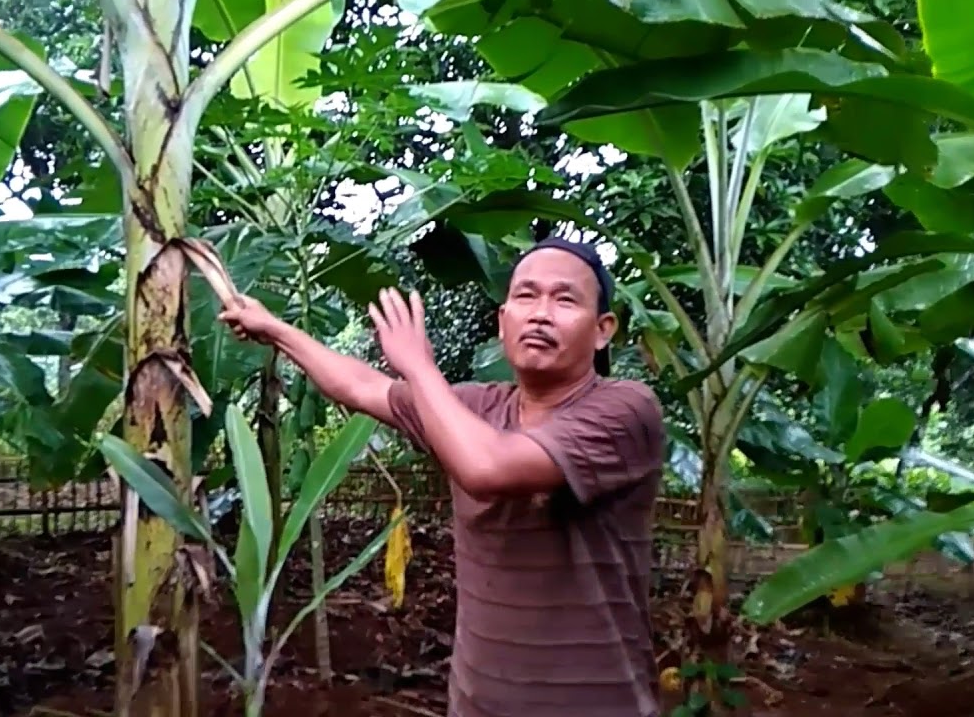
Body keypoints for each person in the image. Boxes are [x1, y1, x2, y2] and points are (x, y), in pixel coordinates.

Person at [219, 237, 665, 717]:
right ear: (502, 321)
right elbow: (362, 385)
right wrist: (274, 329)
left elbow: (487, 467)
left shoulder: (626, 410)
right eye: (526, 296)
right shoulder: (473, 408)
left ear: (603, 331)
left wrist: (417, 364)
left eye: (565, 299)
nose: (540, 313)